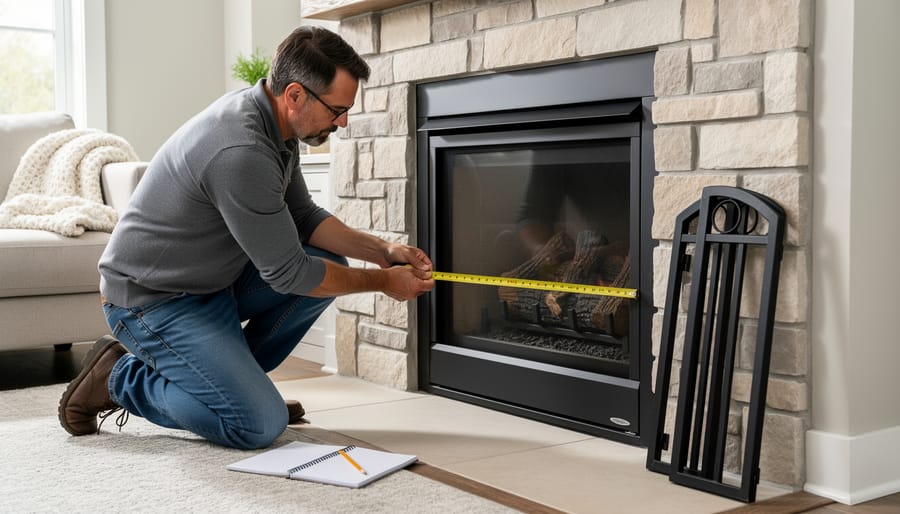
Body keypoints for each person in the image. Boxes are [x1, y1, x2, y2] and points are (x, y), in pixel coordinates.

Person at [57, 26, 434, 450]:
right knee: (256, 426)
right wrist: (383, 283)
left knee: (330, 267)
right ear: (295, 95)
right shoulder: (241, 150)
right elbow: (290, 274)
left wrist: (381, 251)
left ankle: (235, 391)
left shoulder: (277, 127)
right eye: (337, 109)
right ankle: (121, 379)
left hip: (210, 283)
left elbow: (304, 217)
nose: (343, 121)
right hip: (152, 302)